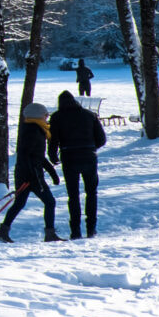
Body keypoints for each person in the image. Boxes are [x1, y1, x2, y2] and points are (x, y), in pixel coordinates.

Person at [0, 103, 62, 242]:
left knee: (19, 203)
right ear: (38, 116)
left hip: (27, 174)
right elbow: (25, 155)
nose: (47, 117)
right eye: (45, 115)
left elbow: (37, 156)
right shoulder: (33, 130)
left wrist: (52, 173)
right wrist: (32, 176)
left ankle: (3, 231)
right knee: (50, 202)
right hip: (31, 176)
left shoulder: (37, 129)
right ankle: (49, 234)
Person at [49, 89, 107, 238]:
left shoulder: (57, 117)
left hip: (69, 157)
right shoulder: (89, 115)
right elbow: (101, 139)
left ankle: (75, 230)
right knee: (91, 193)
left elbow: (53, 139)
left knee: (73, 195)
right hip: (89, 157)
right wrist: (91, 147)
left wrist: (53, 156)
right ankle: (91, 228)